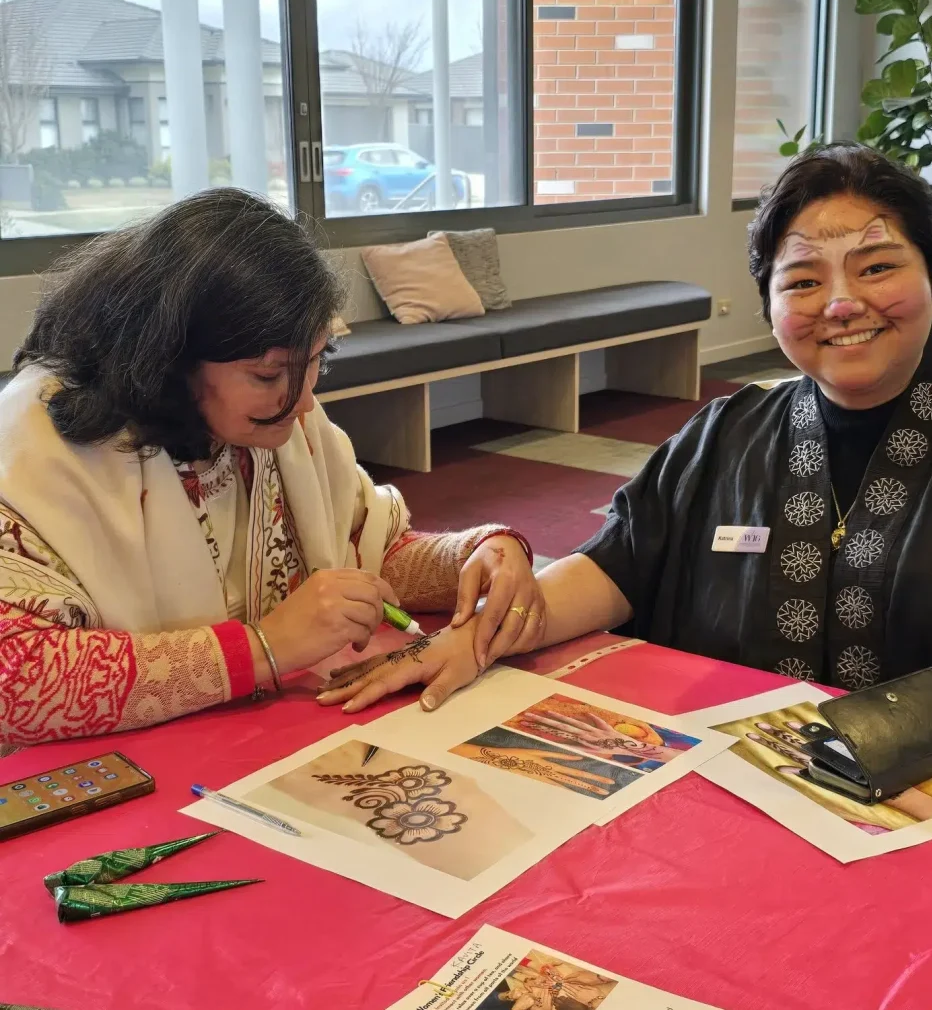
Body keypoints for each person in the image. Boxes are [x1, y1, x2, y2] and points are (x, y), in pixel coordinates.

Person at [320, 143, 932, 737]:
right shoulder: (725, 434)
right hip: (733, 788)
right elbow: (618, 566)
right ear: (772, 306)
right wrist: (474, 639)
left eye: (877, 268)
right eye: (804, 281)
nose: (842, 304)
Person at [0, 189, 543, 747]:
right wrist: (264, 647)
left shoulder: (274, 422)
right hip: (96, 777)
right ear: (167, 356)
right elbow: (13, 681)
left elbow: (366, 555)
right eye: (267, 375)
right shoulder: (44, 445)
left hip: (240, 743)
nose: (303, 403)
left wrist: (476, 555)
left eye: (316, 364)